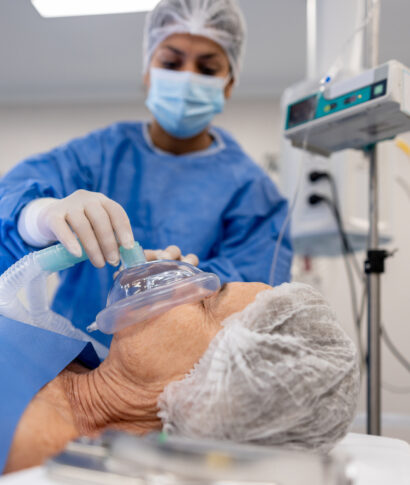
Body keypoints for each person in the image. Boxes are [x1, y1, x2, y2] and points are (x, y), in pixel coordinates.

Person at [0, 0, 293, 346]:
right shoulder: (100, 155)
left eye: (207, 68)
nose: (187, 77)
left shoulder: (250, 189)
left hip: (181, 378)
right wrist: (39, 217)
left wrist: (184, 282)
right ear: (147, 72)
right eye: (171, 62)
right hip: (72, 363)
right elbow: (11, 196)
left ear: (229, 83)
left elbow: (255, 292)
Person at [2, 282, 359, 473]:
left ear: (208, 391)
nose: (186, 282)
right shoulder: (84, 364)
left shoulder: (28, 441)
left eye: (207, 300)